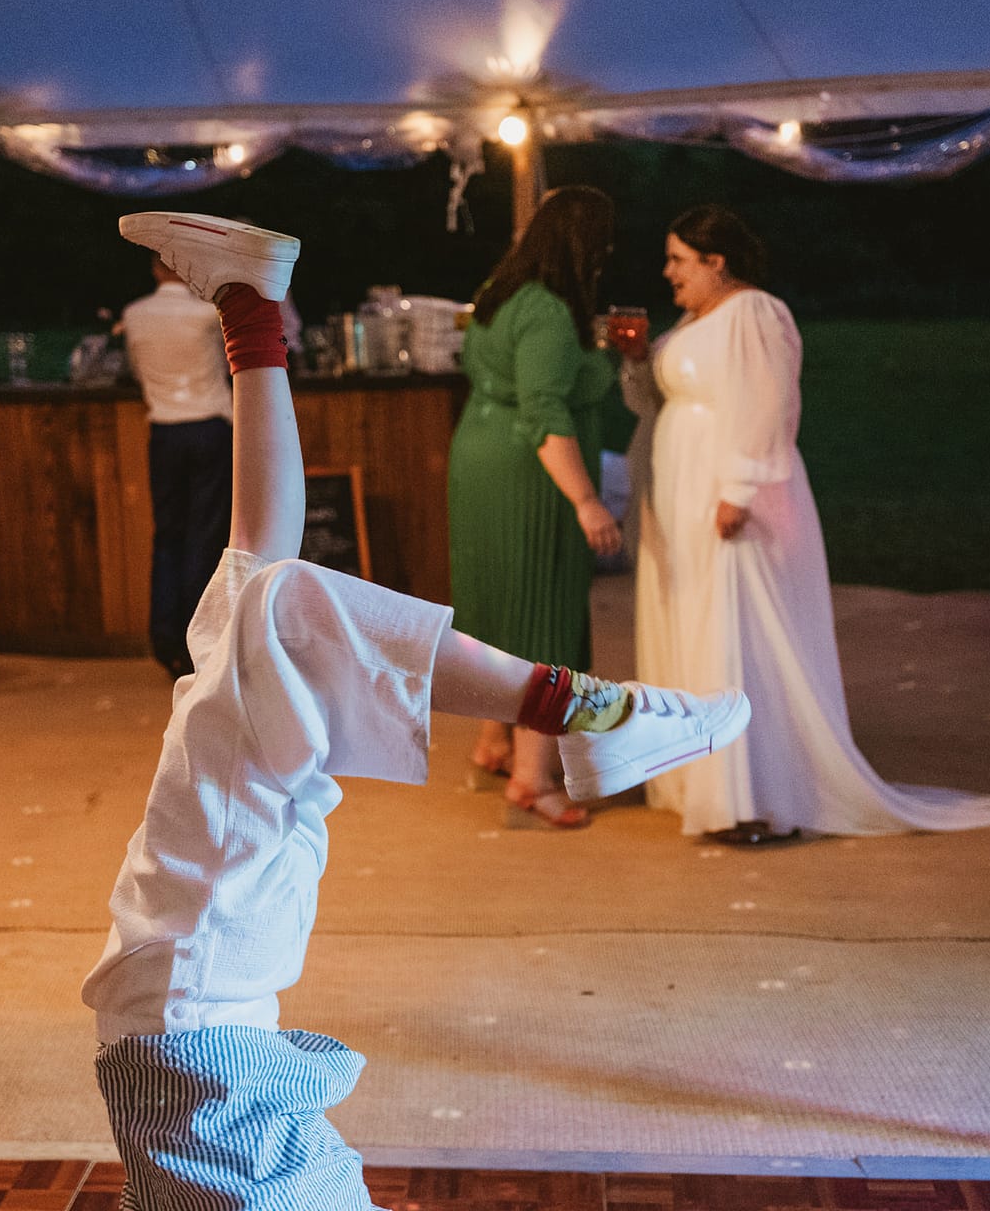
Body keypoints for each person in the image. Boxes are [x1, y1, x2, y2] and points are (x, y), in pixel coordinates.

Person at [85, 210, 751, 1211]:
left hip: (193, 1011)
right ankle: (587, 710)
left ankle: (252, 313)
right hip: (194, 1015)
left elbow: (261, 551)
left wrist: (251, 325)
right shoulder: (239, 778)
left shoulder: (235, 767)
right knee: (273, 599)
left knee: (269, 597)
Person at [626, 205, 990, 843]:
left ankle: (750, 796)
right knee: (695, 623)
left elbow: (768, 403)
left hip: (728, 494)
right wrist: (636, 359)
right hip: (678, 487)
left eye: (677, 259)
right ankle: (701, 781)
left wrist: (739, 489)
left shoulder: (755, 313)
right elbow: (654, 401)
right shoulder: (694, 319)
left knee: (737, 631)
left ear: (715, 261)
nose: (667, 271)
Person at [446, 186, 623, 829]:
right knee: (542, 616)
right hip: (527, 475)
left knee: (497, 607)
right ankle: (531, 779)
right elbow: (545, 412)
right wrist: (587, 502)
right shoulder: (548, 311)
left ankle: (493, 741)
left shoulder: (500, 290)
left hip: (479, 456)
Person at [120, 251, 235, 678]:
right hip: (208, 428)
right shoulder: (208, 315)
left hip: (164, 432)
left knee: (168, 533)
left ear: (153, 268)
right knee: (205, 534)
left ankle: (164, 636)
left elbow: (135, 372)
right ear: (186, 269)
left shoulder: (134, 315)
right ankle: (194, 643)